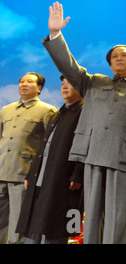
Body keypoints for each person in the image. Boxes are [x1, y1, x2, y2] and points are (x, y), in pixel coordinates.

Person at [42, 2, 126, 244]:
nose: (119, 59)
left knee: (119, 216)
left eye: (125, 56)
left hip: (124, 159)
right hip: (92, 154)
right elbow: (68, 66)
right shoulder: (93, 82)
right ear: (110, 64)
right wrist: (56, 35)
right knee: (92, 215)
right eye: (114, 57)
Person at [16, 76, 84, 244]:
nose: (65, 87)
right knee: (33, 227)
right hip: (41, 180)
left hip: (65, 182)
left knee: (60, 226)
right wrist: (30, 174)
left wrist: (78, 175)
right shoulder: (59, 112)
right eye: (62, 83)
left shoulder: (85, 112)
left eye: (70, 83)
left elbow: (86, 146)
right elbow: (42, 147)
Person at [0, 73, 57, 244]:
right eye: (21, 81)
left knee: (18, 225)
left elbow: (49, 146)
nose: (24, 84)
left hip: (23, 173)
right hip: (1, 171)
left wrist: (36, 174)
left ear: (39, 88)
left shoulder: (47, 111)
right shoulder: (6, 109)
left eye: (30, 82)